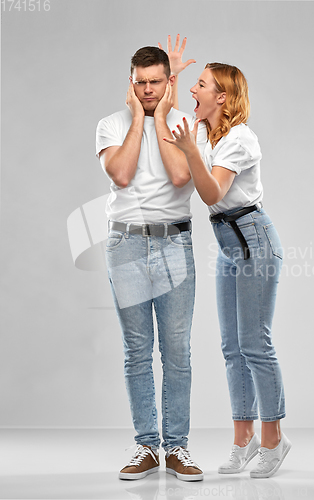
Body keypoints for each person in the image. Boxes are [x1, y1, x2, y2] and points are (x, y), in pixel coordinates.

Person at [163, 62, 292, 479]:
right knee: (231, 347)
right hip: (227, 244)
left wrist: (191, 151)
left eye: (201, 86)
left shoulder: (241, 138)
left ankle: (274, 439)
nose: (193, 91)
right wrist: (173, 82)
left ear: (223, 97)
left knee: (255, 344)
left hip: (254, 240)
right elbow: (185, 169)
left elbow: (212, 192)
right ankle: (243, 440)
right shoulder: (202, 132)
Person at [95, 37, 205, 482]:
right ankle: (146, 446)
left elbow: (182, 176)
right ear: (131, 83)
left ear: (168, 83)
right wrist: (140, 122)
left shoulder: (184, 124)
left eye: (156, 83)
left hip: (174, 244)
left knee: (176, 351)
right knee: (137, 351)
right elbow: (120, 173)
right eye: (140, 83)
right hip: (126, 245)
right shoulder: (109, 124)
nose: (147, 90)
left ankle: (176, 446)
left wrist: (161, 116)